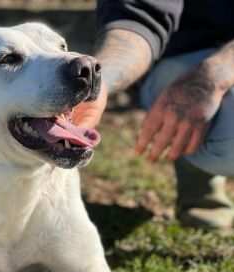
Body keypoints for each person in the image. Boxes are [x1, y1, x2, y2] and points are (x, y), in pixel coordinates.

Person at [73, 0, 234, 229]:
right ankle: (197, 170)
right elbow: (137, 19)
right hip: (184, 57)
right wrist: (98, 84)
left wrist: (218, 72)